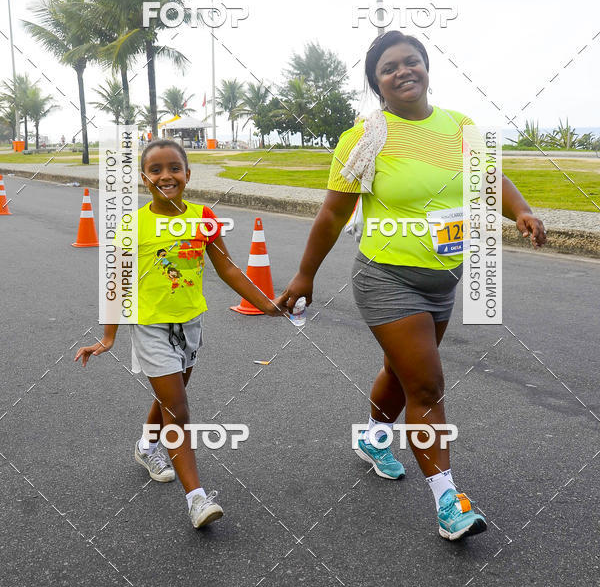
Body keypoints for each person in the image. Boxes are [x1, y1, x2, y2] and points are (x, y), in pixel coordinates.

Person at [277, 31, 547, 542]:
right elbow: (333, 214)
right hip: (386, 277)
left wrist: (521, 211)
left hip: (442, 279)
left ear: (426, 67)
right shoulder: (364, 138)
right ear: (376, 82)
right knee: (426, 385)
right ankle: (449, 501)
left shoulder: (461, 126)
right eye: (389, 68)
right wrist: (305, 275)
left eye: (411, 61)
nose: (403, 71)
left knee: (400, 375)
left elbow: (491, 179)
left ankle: (374, 438)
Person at [75, 139, 282, 529]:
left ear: (188, 174)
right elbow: (117, 282)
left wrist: (266, 303)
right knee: (178, 408)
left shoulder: (203, 216)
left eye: (174, 168)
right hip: (149, 326)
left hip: (190, 324)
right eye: (155, 170)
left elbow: (228, 268)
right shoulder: (131, 225)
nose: (166, 176)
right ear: (144, 178)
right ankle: (197, 499)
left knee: (170, 397)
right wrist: (108, 336)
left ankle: (146, 447)